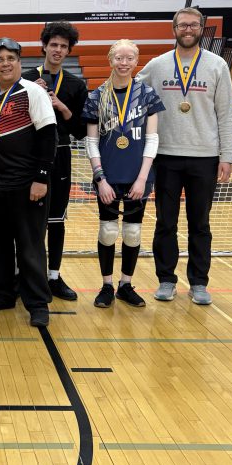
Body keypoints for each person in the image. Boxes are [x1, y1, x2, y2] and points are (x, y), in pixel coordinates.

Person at [137, 7, 232, 305]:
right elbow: (128, 90)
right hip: (165, 155)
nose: (188, 29)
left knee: (200, 223)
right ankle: (166, 279)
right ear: (174, 29)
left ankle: (199, 282)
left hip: (205, 156)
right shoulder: (157, 65)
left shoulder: (217, 66)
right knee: (166, 223)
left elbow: (226, 114)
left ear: (202, 28)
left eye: (194, 25)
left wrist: (227, 156)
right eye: (183, 25)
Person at [0, 37, 57, 327]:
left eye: (10, 59)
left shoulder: (33, 92)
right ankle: (4, 294)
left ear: (19, 62)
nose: (5, 64)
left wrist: (41, 179)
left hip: (27, 185)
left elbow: (49, 137)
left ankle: (37, 303)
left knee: (30, 246)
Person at [81, 40, 164, 309]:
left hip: (137, 176)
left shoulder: (147, 94)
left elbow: (152, 139)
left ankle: (125, 284)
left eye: (129, 58)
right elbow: (91, 142)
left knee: (133, 233)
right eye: (119, 57)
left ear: (136, 61)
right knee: (107, 230)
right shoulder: (97, 96)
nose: (124, 62)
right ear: (110, 59)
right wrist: (100, 178)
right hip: (108, 176)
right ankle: (106, 285)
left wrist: (142, 178)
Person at [22, 21, 88, 301]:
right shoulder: (26, 77)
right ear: (45, 46)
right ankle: (27, 274)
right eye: (54, 45)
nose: (58, 50)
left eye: (63, 46)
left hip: (60, 153)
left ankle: (54, 276)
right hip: (30, 155)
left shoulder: (75, 84)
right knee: (29, 220)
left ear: (69, 50)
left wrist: (61, 106)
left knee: (56, 219)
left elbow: (81, 131)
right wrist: (33, 94)